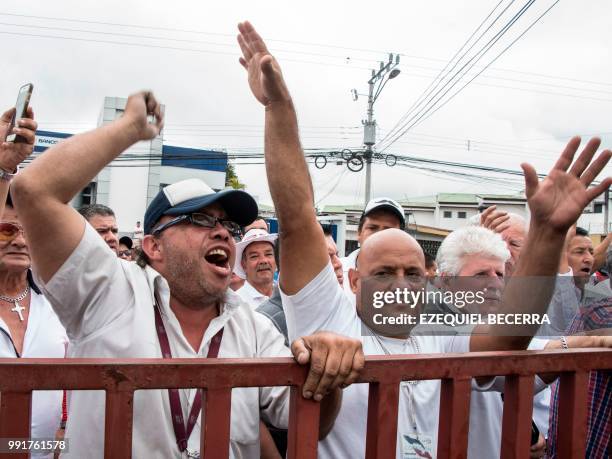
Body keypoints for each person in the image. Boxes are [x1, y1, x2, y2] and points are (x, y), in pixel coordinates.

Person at [235, 20, 612, 458]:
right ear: (354, 282)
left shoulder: (442, 330)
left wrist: (548, 233)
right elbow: (298, 217)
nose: (400, 283)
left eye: (413, 273)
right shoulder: (328, 315)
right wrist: (278, 108)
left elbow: (510, 336)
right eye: (383, 272)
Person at [12, 88, 365, 458]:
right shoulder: (110, 291)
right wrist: (130, 128)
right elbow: (34, 190)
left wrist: (329, 377)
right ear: (153, 246)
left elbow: (307, 421)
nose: (222, 232)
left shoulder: (252, 327)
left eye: (229, 226)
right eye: (199, 219)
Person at [0, 106, 67, 457]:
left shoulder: (57, 304)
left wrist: (62, 439)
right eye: (8, 230)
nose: (21, 241)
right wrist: (4, 167)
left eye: (28, 231)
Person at [339, 196, 405, 296]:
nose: (379, 236)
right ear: (359, 233)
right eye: (372, 228)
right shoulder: (334, 273)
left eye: (389, 231)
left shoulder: (409, 284)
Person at [234, 228, 278, 309]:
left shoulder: (287, 297)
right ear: (243, 265)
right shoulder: (236, 304)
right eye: (254, 256)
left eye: (268, 254)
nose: (263, 261)